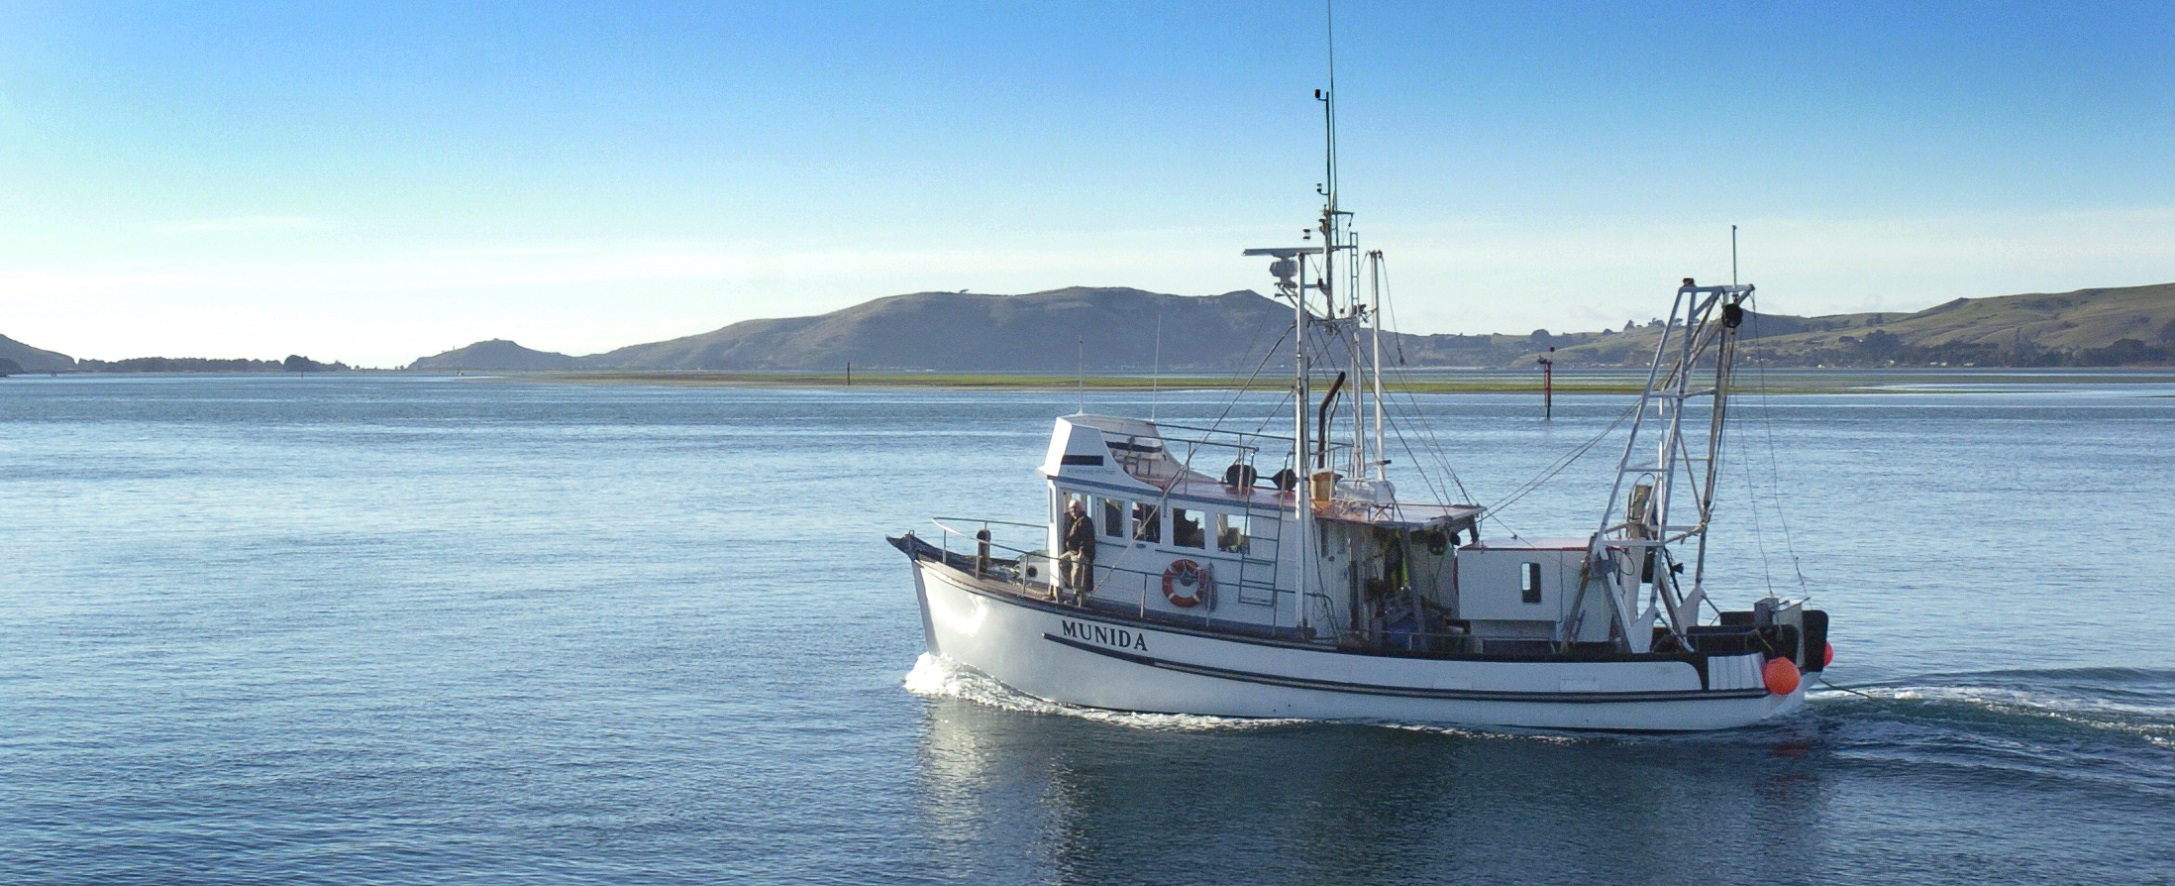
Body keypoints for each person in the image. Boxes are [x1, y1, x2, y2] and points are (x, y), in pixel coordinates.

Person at [1060, 499, 1095, 603]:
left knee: (1076, 572)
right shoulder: (1073, 520)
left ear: (1081, 508)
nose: (1073, 510)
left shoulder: (1084, 521)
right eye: (1071, 508)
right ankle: (1078, 589)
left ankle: (1076, 597)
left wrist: (1082, 552)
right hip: (1072, 551)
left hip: (1080, 553)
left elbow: (1086, 538)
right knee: (1061, 562)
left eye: (1075, 508)